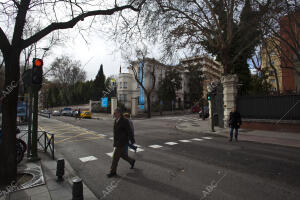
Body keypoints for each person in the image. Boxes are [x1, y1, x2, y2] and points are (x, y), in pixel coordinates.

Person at [107, 108, 136, 178]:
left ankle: (113, 172)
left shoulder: (125, 121)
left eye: (115, 113)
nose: (114, 114)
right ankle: (131, 161)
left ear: (119, 113)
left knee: (115, 157)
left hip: (122, 142)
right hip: (117, 142)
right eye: (114, 113)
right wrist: (114, 143)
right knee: (122, 155)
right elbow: (115, 133)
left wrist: (132, 141)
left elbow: (129, 131)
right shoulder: (116, 120)